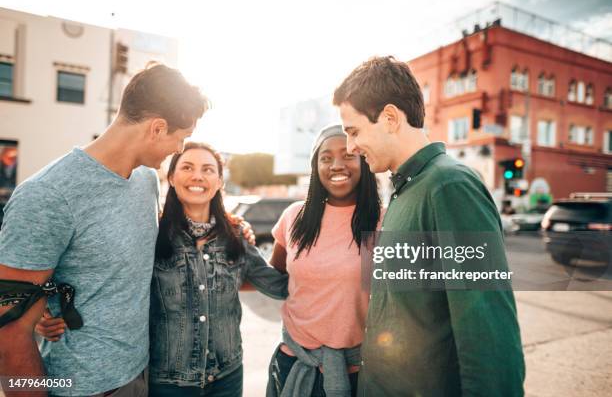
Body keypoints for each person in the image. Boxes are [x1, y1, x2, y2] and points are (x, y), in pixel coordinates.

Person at [0, 63, 208, 396]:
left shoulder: (145, 181)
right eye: (181, 138)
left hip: (140, 374)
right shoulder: (47, 196)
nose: (179, 150)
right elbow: (8, 330)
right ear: (157, 128)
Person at [333, 56, 525, 396]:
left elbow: (489, 336)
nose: (350, 147)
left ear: (390, 118)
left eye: (354, 131)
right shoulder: (405, 189)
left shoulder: (450, 186)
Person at [147, 142, 288, 396]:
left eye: (208, 169)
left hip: (227, 378)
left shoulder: (236, 236)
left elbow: (279, 287)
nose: (198, 176)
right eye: (187, 167)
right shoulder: (152, 235)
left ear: (220, 181)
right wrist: (53, 312)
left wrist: (293, 232)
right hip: (169, 383)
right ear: (171, 177)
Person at [266, 124, 382, 397]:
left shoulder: (383, 221)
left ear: (364, 161)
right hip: (294, 362)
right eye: (326, 158)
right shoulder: (295, 216)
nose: (336, 165)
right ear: (315, 167)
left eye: (348, 155)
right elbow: (276, 275)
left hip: (358, 371)